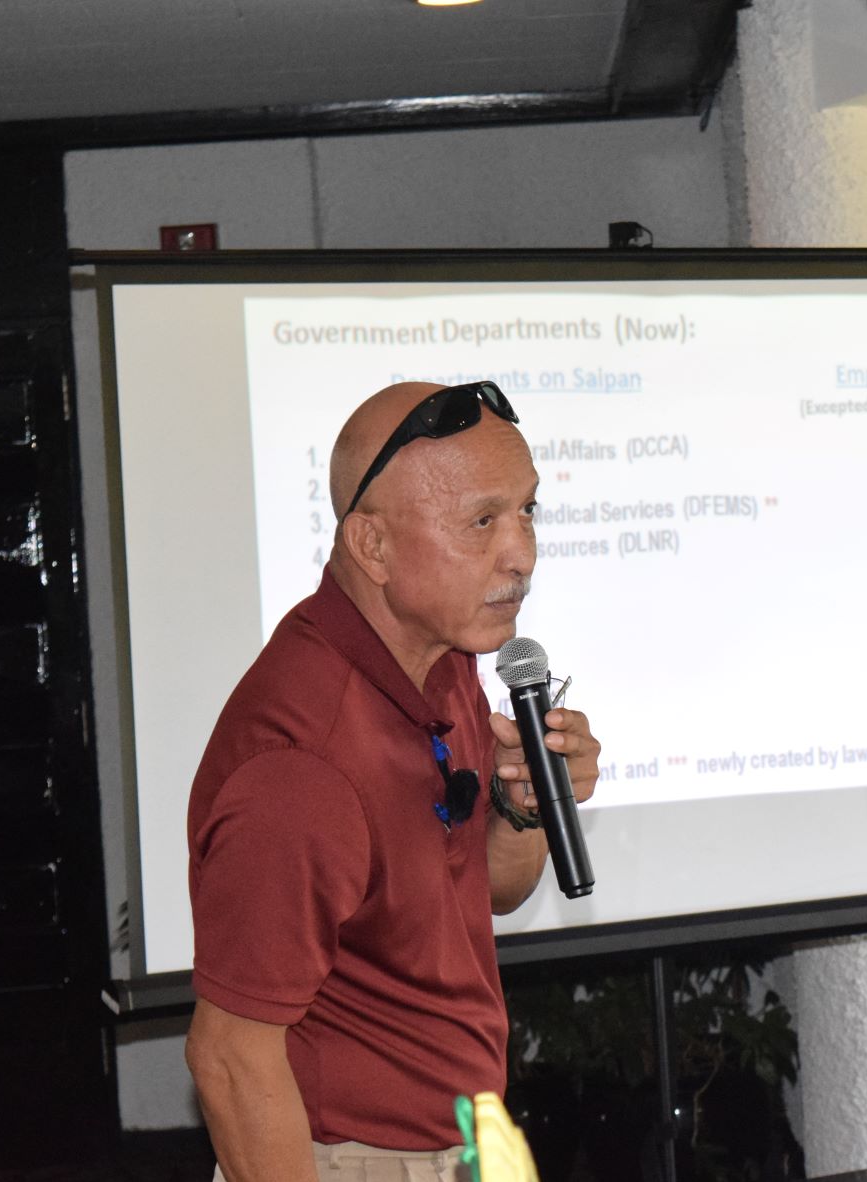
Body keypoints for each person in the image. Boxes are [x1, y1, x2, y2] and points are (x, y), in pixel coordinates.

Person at [183, 380, 600, 1182]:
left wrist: (523, 806)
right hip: (347, 1159)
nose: (520, 554)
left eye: (527, 511)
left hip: (464, 1142)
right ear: (371, 546)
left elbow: (488, 892)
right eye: (482, 521)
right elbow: (230, 1058)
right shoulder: (300, 765)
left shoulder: (446, 662)